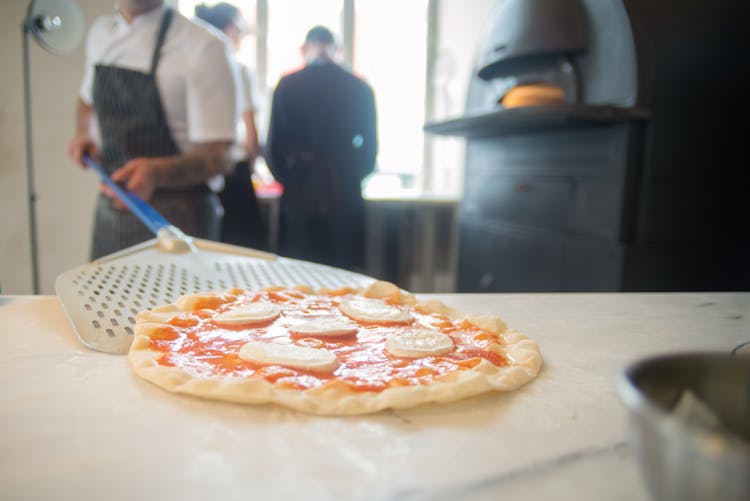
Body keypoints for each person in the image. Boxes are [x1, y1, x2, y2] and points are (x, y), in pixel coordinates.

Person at [68, 0, 239, 259]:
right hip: (112, 213)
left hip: (181, 219)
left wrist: (157, 172)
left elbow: (221, 156)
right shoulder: (100, 34)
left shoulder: (204, 45)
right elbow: (85, 100)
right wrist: (83, 134)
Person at [266, 26, 377, 271]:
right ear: (337, 50)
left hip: (299, 193)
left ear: (305, 49)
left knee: (296, 274)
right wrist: (349, 174)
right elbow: (370, 153)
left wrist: (290, 179)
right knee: (345, 275)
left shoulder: (287, 85)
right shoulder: (359, 87)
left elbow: (273, 149)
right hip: (344, 193)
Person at [194, 2, 268, 250]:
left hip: (199, 171)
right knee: (247, 245)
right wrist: (254, 160)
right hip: (233, 169)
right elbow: (250, 134)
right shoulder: (238, 69)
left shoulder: (195, 66)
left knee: (208, 243)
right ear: (229, 30)